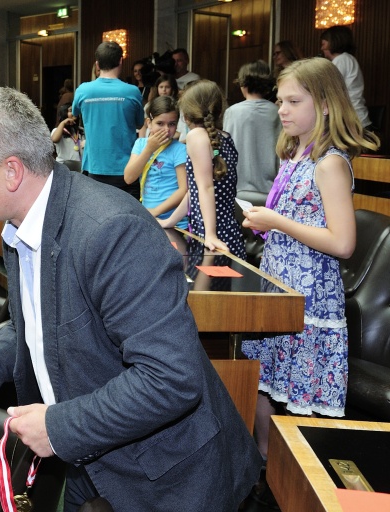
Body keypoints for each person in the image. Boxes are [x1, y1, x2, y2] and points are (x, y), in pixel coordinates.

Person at [0, 86, 261, 512]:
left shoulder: (110, 231)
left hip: (170, 480)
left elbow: (171, 378)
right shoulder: (19, 226)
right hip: (92, 459)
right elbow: (32, 329)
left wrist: (59, 427)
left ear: (11, 171)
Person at [241, 57, 380, 459]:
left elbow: (342, 243)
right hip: (279, 287)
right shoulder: (295, 155)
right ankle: (264, 467)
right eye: (280, 100)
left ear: (322, 103)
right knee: (262, 381)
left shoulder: (330, 162)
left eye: (292, 101)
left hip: (310, 298)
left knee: (299, 400)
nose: (281, 110)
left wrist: (277, 222)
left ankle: (292, 481)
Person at [161, 80, 245, 259]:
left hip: (214, 231)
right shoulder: (224, 137)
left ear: (188, 113)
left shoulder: (196, 136)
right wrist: (171, 221)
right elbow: (194, 189)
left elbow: (205, 187)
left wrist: (210, 234)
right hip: (223, 228)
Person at [72, 41, 144, 197]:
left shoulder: (83, 90)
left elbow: (74, 112)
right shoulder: (132, 92)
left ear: (97, 64)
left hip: (94, 167)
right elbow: (140, 123)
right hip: (126, 169)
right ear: (120, 61)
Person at [124, 96, 188, 229]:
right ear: (149, 123)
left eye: (171, 124)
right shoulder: (141, 144)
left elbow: (184, 189)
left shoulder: (179, 149)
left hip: (175, 222)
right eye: (160, 123)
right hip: (149, 218)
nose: (166, 129)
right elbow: (129, 178)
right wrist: (149, 149)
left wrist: (155, 211)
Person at [223, 60, 281, 195]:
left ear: (242, 84)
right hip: (271, 190)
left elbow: (226, 150)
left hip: (237, 188)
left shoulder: (232, 112)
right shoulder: (277, 112)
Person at [320, 25, 371, 129]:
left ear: (333, 42)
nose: (322, 48)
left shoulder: (342, 59)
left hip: (352, 121)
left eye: (323, 44)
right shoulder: (347, 59)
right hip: (355, 119)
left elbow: (327, 89)